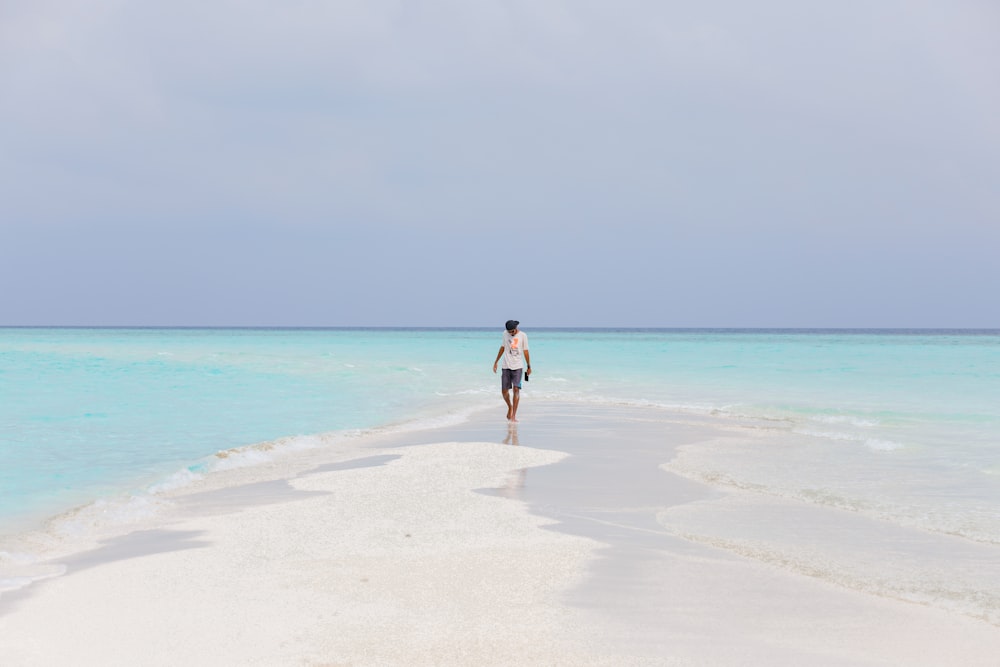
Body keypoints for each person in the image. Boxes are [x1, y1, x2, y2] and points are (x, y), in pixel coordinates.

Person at [492, 320, 531, 421]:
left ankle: (514, 415)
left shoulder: (523, 336)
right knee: (504, 391)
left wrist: (529, 366)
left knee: (516, 389)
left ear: (516, 328)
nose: (511, 333)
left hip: (518, 366)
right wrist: (496, 361)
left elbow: (526, 351)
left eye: (512, 331)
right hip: (506, 366)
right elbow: (502, 347)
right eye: (509, 331)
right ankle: (510, 406)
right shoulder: (505, 334)